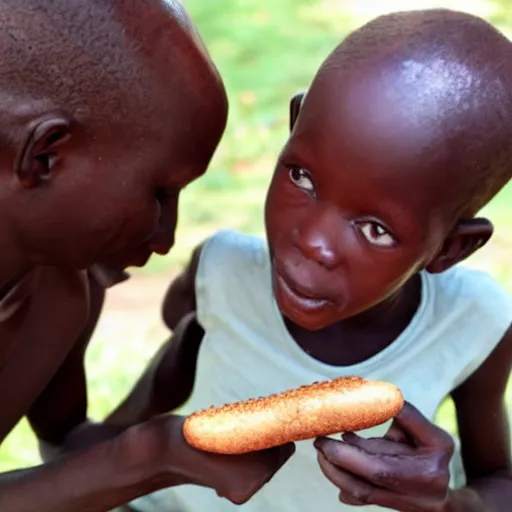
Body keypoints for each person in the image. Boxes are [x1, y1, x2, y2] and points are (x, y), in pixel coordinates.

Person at [119, 8, 512, 512]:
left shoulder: (471, 322)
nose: (312, 243)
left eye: (376, 229)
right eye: (302, 177)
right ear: (293, 125)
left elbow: (498, 478)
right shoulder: (222, 269)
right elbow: (184, 342)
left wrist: (447, 503)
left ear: (450, 249)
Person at [0, 1, 296, 511]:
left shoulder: (66, 287)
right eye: (160, 193)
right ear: (45, 157)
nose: (167, 237)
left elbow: (65, 448)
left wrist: (168, 381)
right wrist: (146, 458)